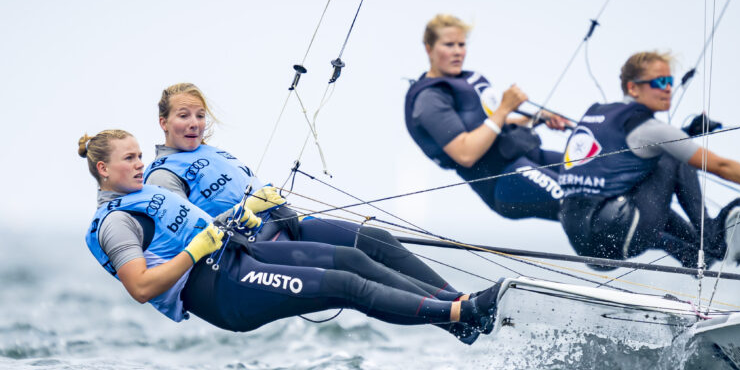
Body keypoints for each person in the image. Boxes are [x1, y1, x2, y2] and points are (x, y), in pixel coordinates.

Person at [78, 129, 502, 339]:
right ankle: (465, 313)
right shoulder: (116, 222)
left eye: (139, 156)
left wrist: (244, 215)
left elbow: (203, 225)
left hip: (237, 259)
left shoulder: (146, 193)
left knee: (353, 261)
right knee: (345, 285)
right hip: (221, 293)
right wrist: (195, 251)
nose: (139, 164)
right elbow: (140, 287)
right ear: (103, 169)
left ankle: (461, 307)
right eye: (130, 159)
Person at [144, 82, 483, 342]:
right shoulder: (163, 174)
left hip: (285, 224)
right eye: (183, 116)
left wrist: (278, 205)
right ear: (164, 122)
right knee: (353, 268)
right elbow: (185, 230)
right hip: (255, 250)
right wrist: (244, 211)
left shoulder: (214, 153)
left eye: (200, 115)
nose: (194, 124)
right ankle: (460, 314)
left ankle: (460, 303)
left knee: (378, 240)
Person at [558, 50, 740, 268]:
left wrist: (685, 132)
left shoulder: (599, 115)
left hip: (582, 241)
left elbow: (630, 154)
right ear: (633, 87)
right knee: (674, 154)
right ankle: (709, 236)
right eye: (658, 82)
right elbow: (721, 166)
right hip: (617, 235)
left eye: (669, 81)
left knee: (657, 165)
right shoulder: (651, 129)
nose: (668, 88)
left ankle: (693, 252)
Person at [404, 14, 569, 221]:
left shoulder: (467, 80)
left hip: (527, 156)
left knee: (595, 177)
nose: (457, 52)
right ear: (429, 49)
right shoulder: (429, 100)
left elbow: (488, 127)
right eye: (449, 45)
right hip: (503, 178)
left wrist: (538, 118)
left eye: (461, 44)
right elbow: (466, 153)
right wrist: (503, 109)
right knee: (578, 202)